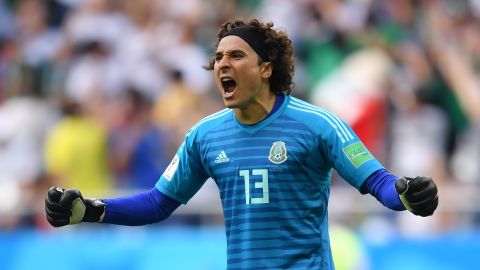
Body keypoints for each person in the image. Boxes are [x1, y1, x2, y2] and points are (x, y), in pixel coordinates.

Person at [45, 19, 438, 269]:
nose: (222, 64)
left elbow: (378, 183)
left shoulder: (318, 125)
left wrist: (407, 195)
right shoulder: (205, 135)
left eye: (236, 55)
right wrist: (90, 211)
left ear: (266, 68)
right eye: (217, 58)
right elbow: (157, 202)